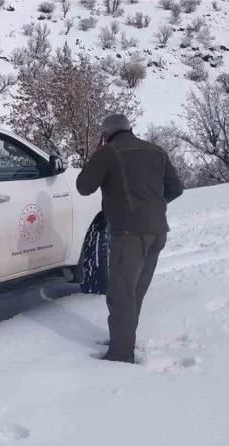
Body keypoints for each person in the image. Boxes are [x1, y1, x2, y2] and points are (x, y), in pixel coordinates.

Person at [75, 114, 185, 363]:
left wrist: (97, 154)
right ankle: (123, 339)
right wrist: (152, 207)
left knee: (121, 294)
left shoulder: (109, 152)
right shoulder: (156, 150)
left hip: (128, 234)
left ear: (106, 134)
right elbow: (176, 188)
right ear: (130, 129)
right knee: (136, 291)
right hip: (157, 231)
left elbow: (84, 186)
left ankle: (121, 354)